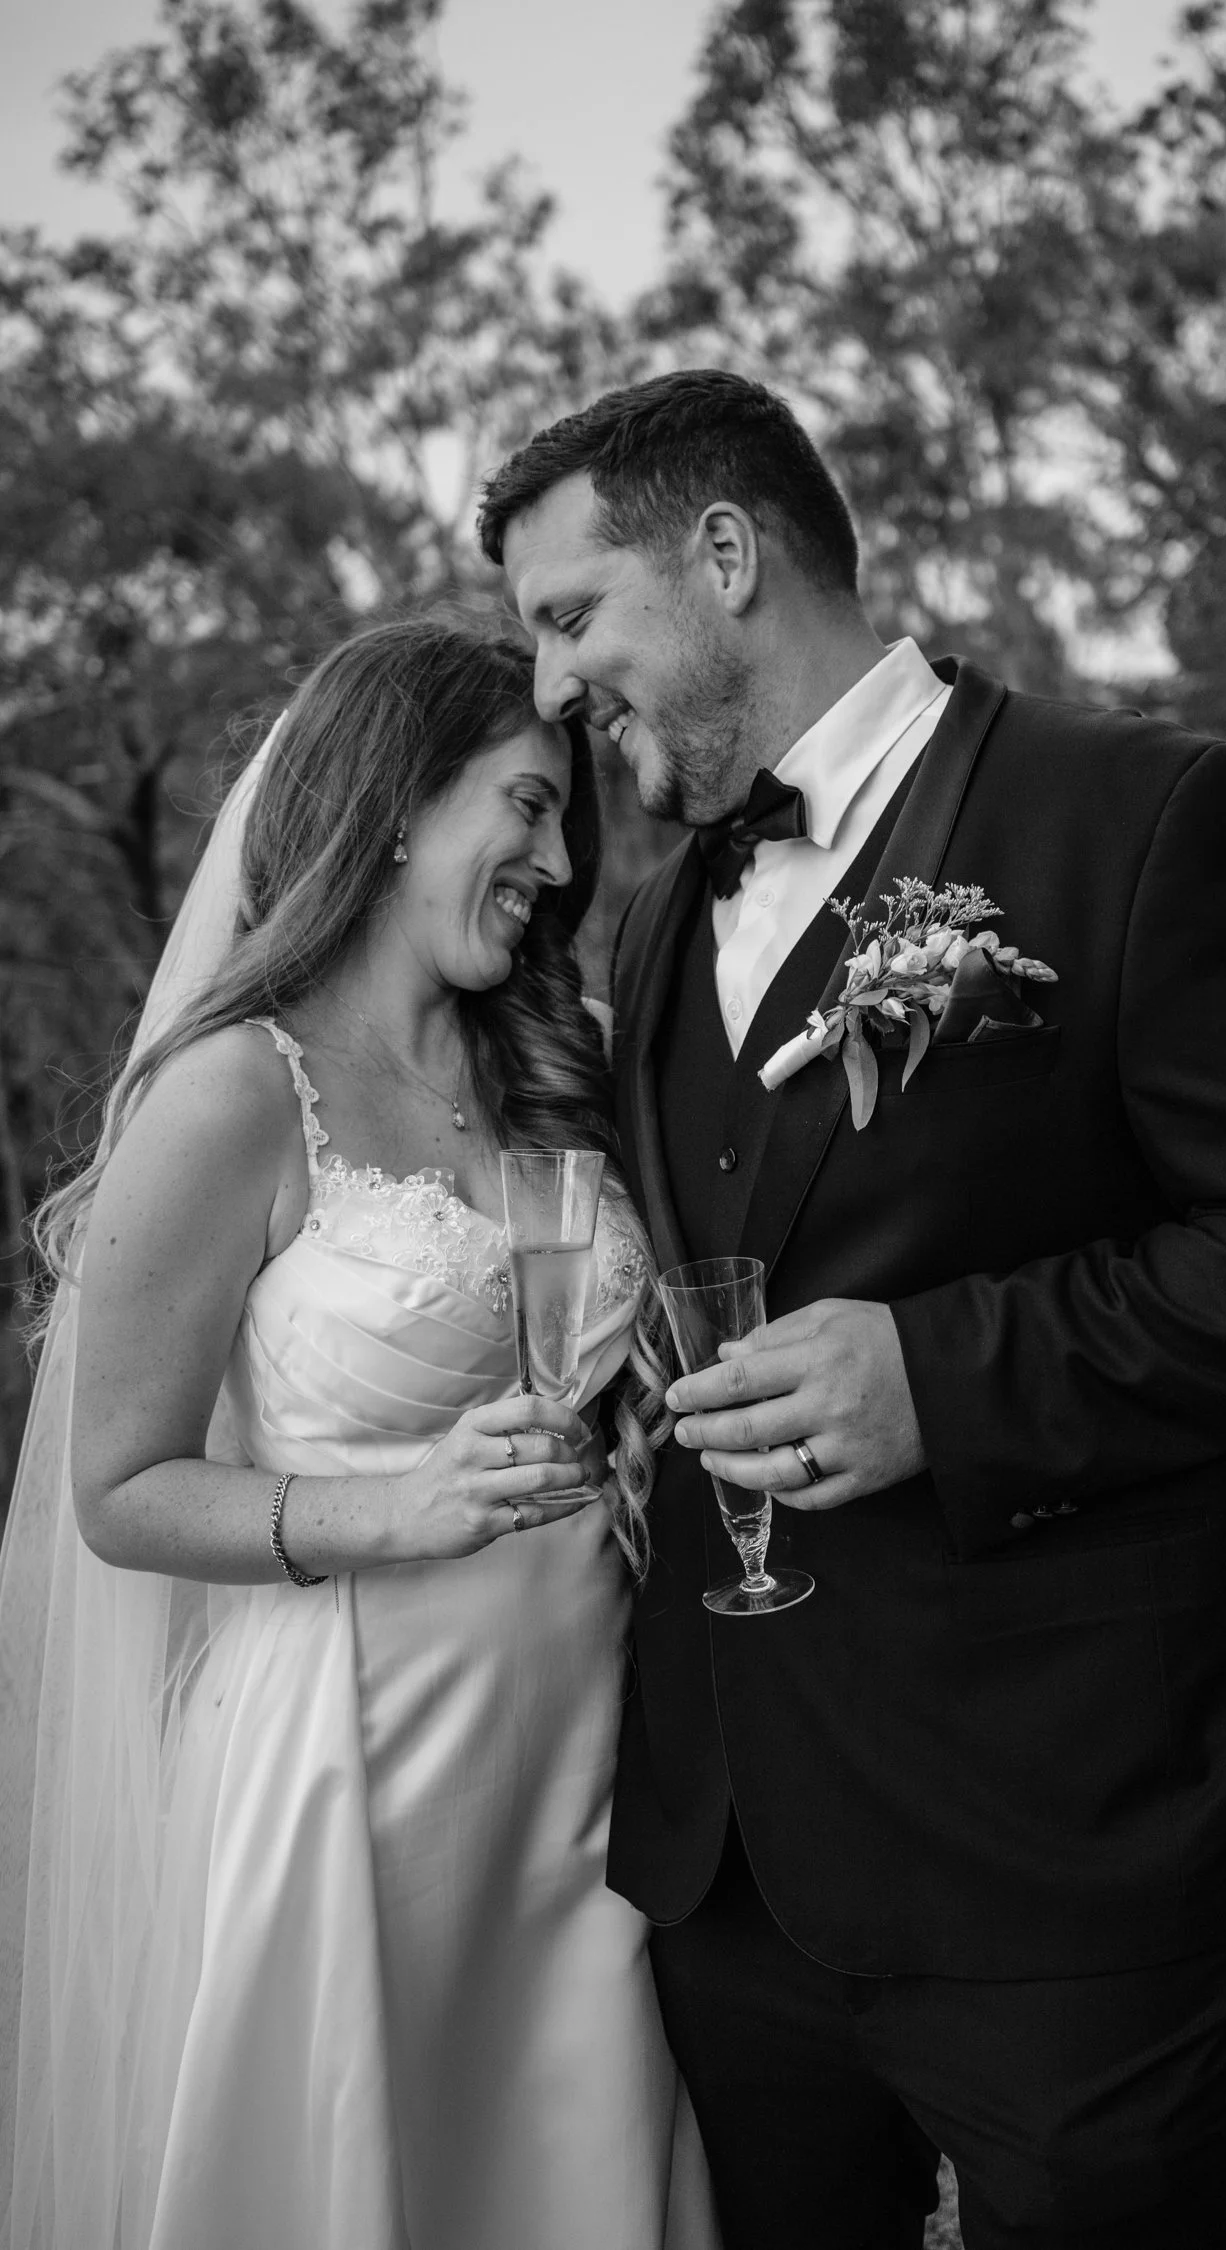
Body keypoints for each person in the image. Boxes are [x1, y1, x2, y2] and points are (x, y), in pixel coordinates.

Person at [482, 369, 1226, 2250]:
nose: (548, 687)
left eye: (568, 614)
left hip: (1066, 1859)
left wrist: (945, 1373)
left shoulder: (1146, 813)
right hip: (734, 1873)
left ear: (723, 553)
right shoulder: (648, 908)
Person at [0, 620, 717, 2250]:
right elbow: (114, 1490)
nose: (557, 858)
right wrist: (393, 1511)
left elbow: (591, 1356)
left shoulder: (549, 1059)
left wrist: (651, 1413)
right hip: (357, 1748)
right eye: (528, 805)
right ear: (394, 806)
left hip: (592, 1735)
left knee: (576, 2144)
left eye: (566, 822)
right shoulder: (231, 1098)